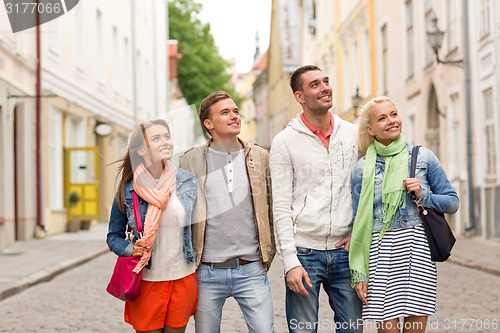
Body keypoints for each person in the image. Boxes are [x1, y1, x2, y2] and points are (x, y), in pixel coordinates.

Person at [349, 96, 459, 333]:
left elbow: (452, 203)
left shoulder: (424, 158)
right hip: (379, 254)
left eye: (394, 114)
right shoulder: (361, 169)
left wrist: (424, 195)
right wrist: (360, 272)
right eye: (382, 118)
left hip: (417, 250)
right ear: (370, 128)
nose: (391, 121)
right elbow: (359, 223)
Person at [270, 65, 363, 333]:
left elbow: (367, 189)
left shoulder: (353, 133)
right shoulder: (285, 141)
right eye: (315, 84)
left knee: (353, 329)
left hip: (345, 253)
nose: (325, 88)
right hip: (305, 254)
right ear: (299, 96)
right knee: (302, 330)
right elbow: (280, 206)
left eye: (326, 81)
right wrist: (290, 262)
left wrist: (357, 232)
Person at [179, 90, 275, 333]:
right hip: (206, 271)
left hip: (251, 268)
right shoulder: (189, 161)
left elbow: (273, 208)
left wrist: (268, 253)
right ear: (208, 124)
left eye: (235, 111)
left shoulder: (261, 156)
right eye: (225, 112)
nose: (234, 116)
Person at [107, 119, 198, 333]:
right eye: (156, 138)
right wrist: (131, 249)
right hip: (146, 280)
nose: (165, 142)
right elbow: (113, 236)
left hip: (182, 278)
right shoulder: (128, 190)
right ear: (141, 149)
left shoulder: (187, 181)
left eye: (167, 136)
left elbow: (199, 230)